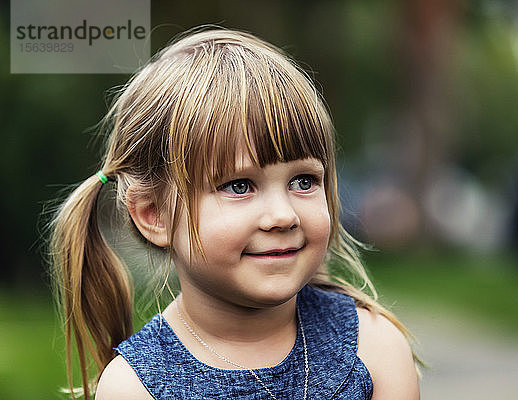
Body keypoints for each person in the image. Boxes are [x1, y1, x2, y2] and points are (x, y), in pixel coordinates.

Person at [49, 28, 420, 400]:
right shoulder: (136, 387)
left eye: (303, 180)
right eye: (239, 186)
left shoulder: (372, 347)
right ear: (154, 216)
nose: (282, 215)